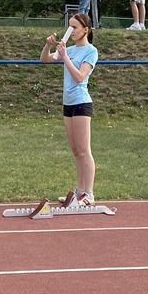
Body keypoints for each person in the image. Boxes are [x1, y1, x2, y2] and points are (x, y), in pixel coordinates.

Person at [40, 13, 99, 206]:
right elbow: (45, 60)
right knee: (75, 151)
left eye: (75, 27)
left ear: (85, 30)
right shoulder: (70, 49)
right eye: (69, 27)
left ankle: (88, 194)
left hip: (82, 102)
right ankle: (79, 191)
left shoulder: (91, 51)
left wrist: (65, 57)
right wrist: (48, 45)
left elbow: (79, 77)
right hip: (68, 103)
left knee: (84, 150)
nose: (71, 31)